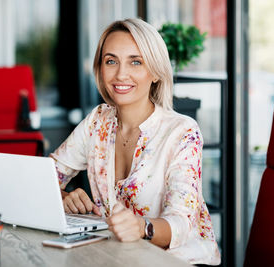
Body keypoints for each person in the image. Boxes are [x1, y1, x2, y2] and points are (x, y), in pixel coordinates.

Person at [50, 18, 221, 265]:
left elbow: (182, 223)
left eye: (136, 62)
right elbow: (45, 177)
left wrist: (142, 228)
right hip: (121, 258)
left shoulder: (182, 131)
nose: (121, 74)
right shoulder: (98, 121)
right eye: (111, 61)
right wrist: (64, 197)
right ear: (100, 69)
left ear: (155, 72)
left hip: (181, 261)